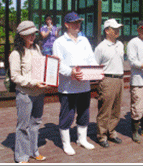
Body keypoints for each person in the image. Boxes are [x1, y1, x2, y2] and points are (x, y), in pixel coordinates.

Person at [52, 11, 97, 156]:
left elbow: (91, 59)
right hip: (67, 87)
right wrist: (71, 72)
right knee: (67, 115)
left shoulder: (84, 40)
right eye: (74, 22)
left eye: (79, 22)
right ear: (66, 24)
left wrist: (96, 71)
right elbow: (58, 64)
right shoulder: (59, 42)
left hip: (84, 85)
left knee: (84, 113)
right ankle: (66, 143)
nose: (78, 25)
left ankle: (81, 140)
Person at [9, 20, 51, 163]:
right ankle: (22, 156)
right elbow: (15, 76)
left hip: (39, 93)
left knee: (36, 123)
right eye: (28, 35)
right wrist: (33, 83)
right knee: (23, 126)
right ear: (21, 36)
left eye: (33, 34)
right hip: (25, 94)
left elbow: (42, 68)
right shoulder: (16, 54)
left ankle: (33, 151)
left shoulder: (37, 49)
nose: (32, 37)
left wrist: (47, 79)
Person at [94, 19, 124, 148]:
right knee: (105, 110)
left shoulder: (121, 44)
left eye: (118, 28)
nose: (117, 31)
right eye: (114, 28)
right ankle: (101, 136)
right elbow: (95, 65)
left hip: (119, 79)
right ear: (107, 30)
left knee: (116, 109)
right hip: (107, 79)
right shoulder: (101, 47)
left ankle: (111, 132)